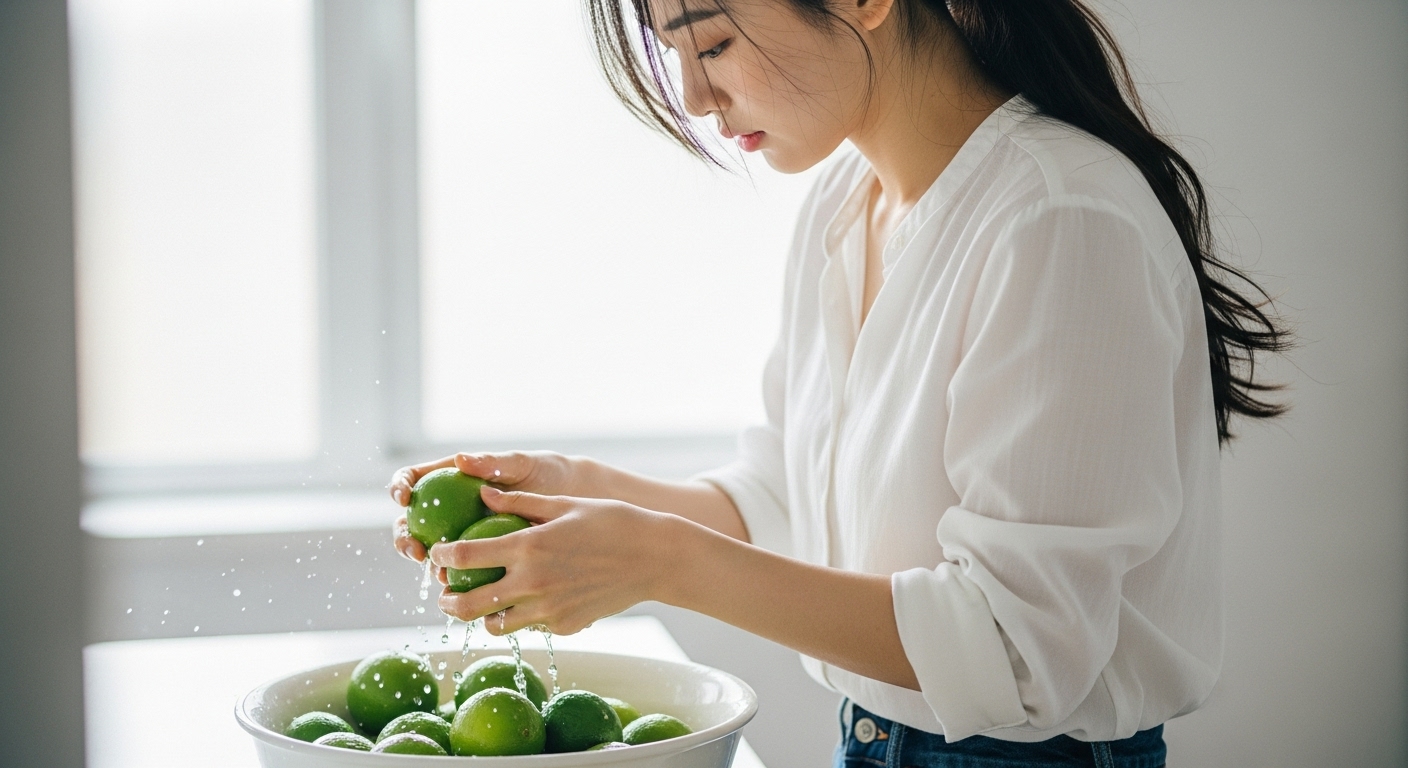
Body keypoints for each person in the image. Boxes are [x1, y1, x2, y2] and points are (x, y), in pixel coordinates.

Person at [389, 1, 1288, 765]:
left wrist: (656, 560)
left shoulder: (1059, 217)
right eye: (676, 55)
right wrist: (574, 498)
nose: (696, 98)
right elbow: (789, 499)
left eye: (712, 44)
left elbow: (1019, 651)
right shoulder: (846, 202)